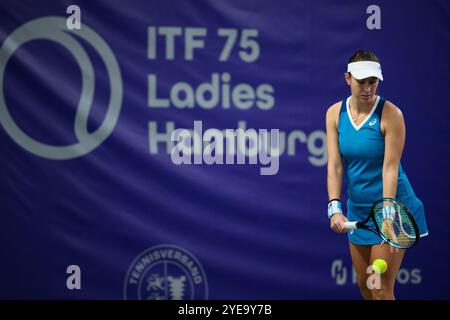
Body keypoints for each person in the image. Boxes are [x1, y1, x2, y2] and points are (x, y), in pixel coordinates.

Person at [325, 50, 429, 300]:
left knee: (380, 289)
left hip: (393, 209)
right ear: (347, 79)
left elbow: (390, 168)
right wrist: (334, 208)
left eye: (373, 82)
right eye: (362, 81)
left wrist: (389, 215)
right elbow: (335, 165)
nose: (368, 88)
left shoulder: (392, 115)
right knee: (365, 285)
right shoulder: (334, 114)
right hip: (359, 210)